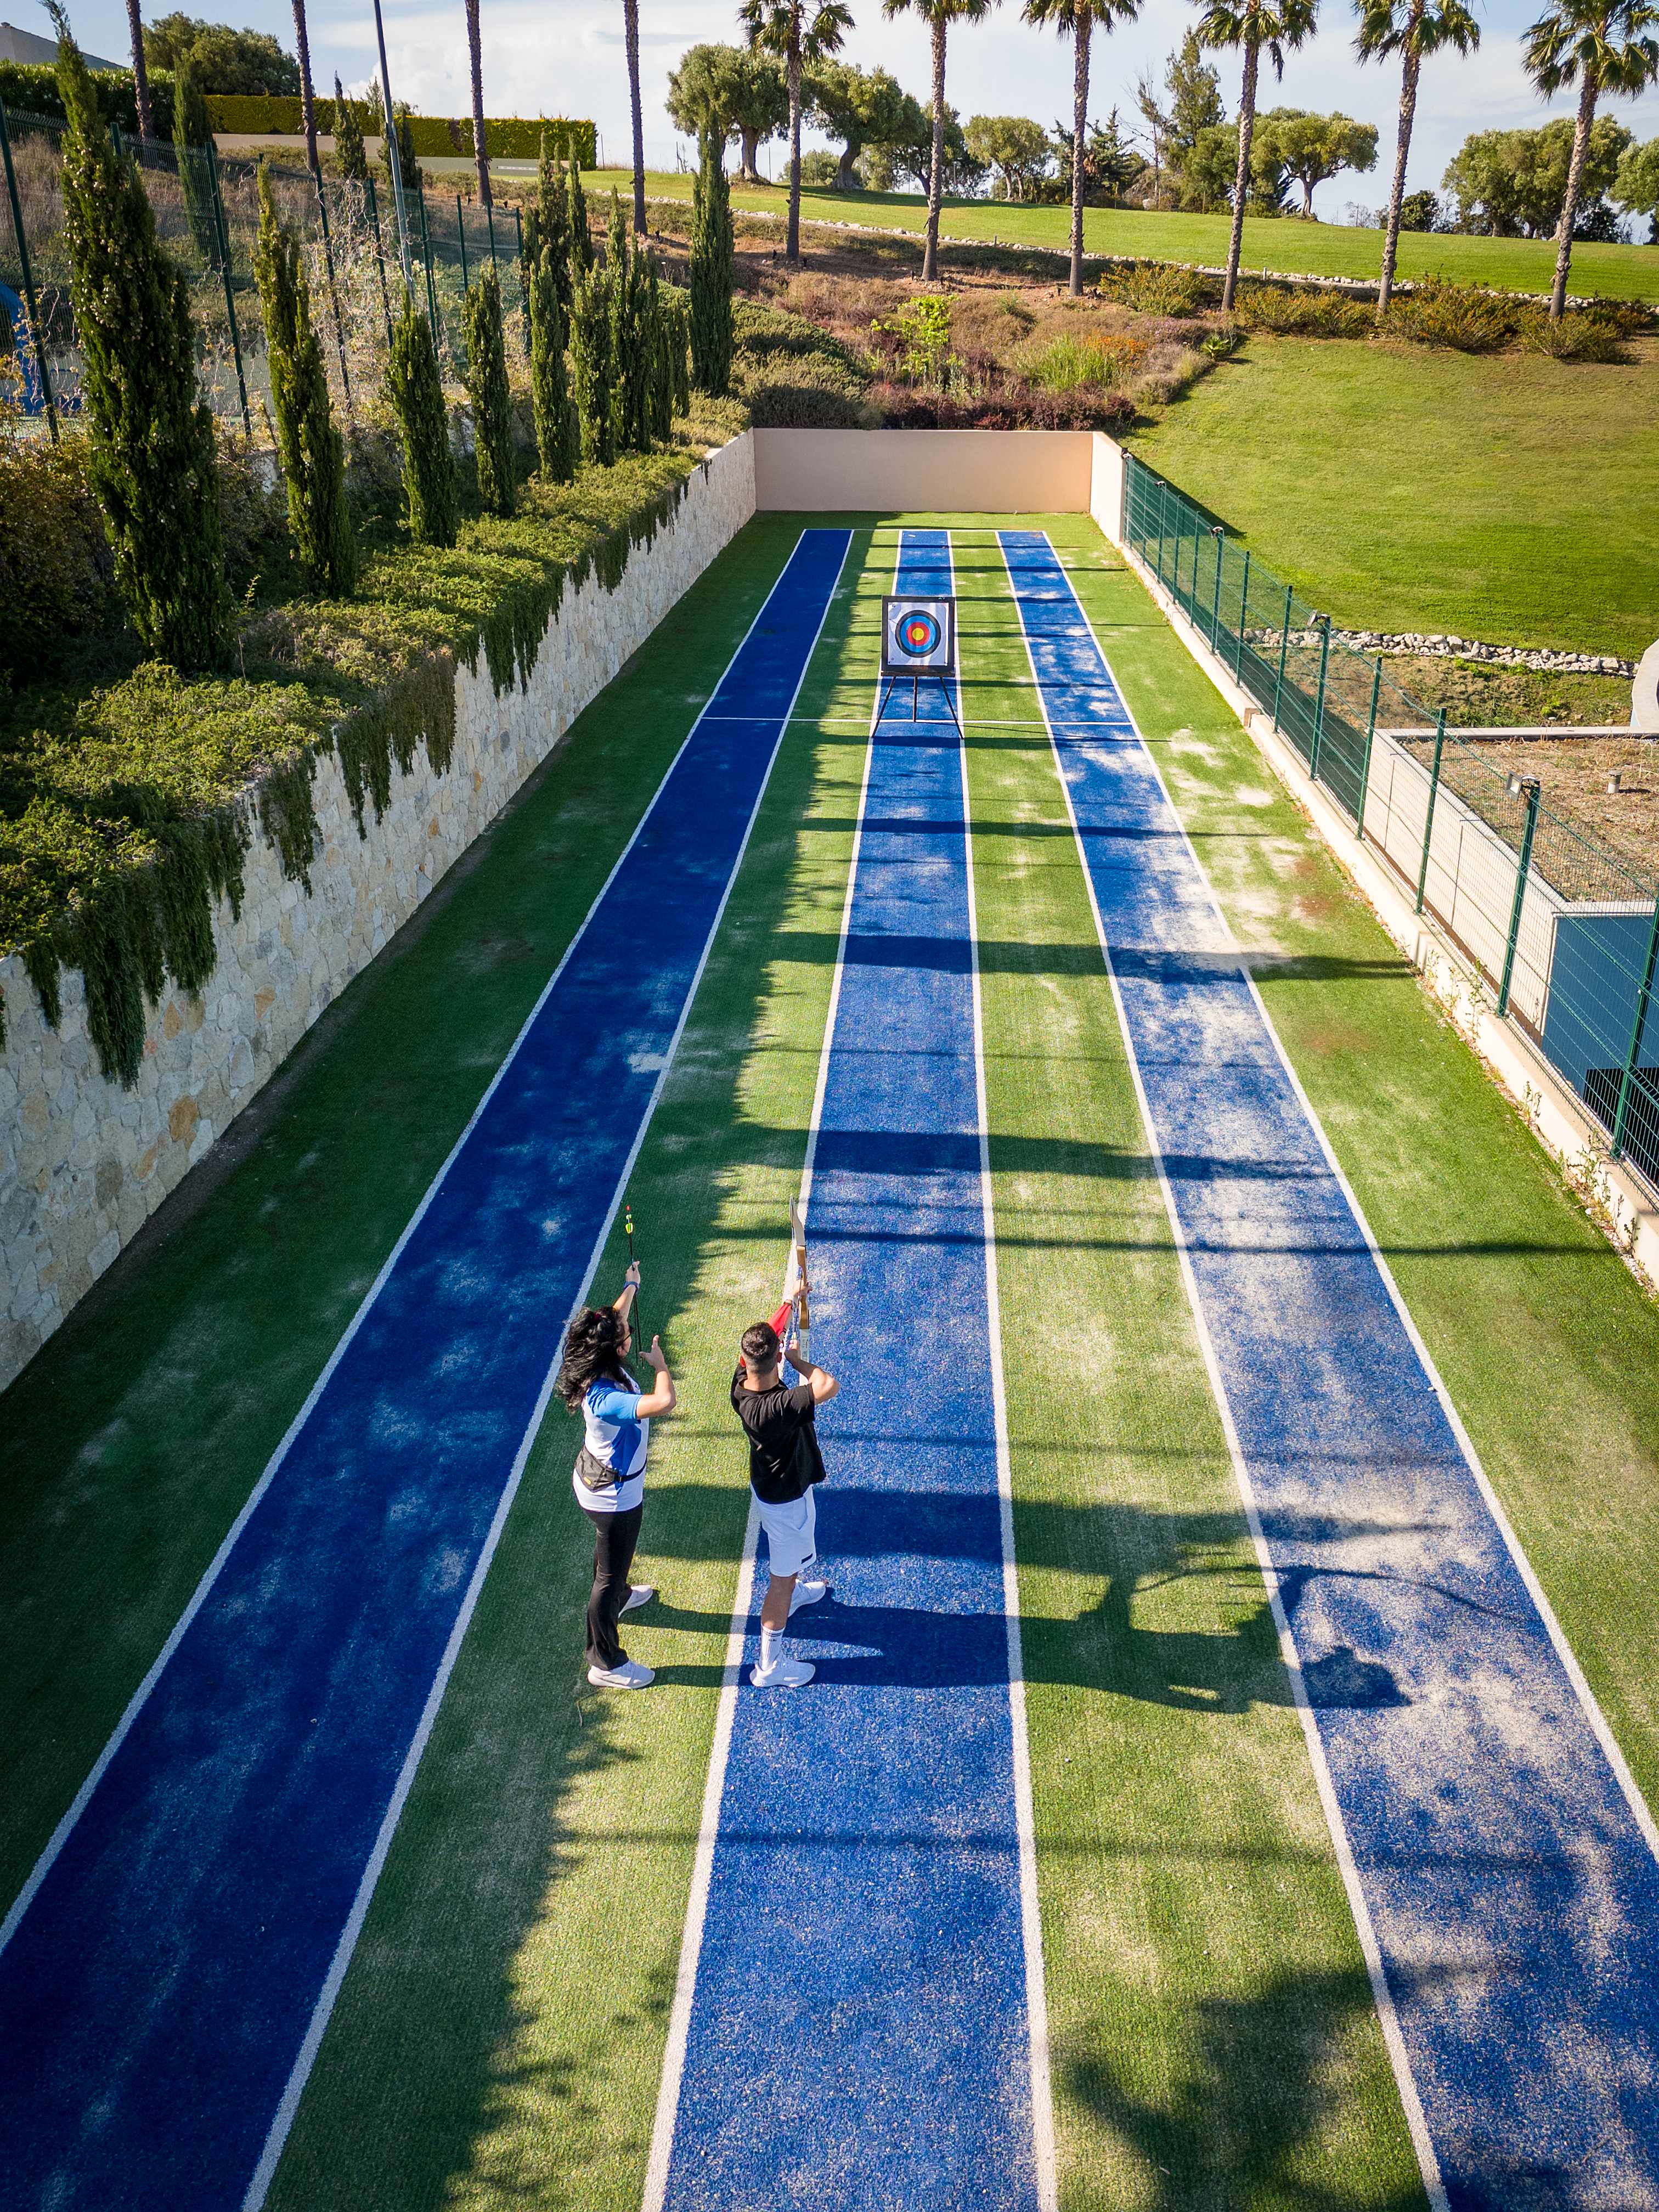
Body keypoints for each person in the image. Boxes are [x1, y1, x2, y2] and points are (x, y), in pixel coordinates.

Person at [556, 1261, 676, 1689]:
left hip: (598, 1480)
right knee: (606, 1579)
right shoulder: (606, 1398)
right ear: (616, 1350)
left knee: (612, 1562)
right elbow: (664, 1402)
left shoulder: (600, 1352)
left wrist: (631, 1284)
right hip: (614, 1498)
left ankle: (621, 1596)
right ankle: (604, 1662)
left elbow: (613, 1317)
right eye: (625, 1335)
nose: (628, 1332)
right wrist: (662, 1365)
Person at [730, 1317, 838, 1689]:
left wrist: (789, 1302)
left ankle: (793, 1594)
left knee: (789, 1570)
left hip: (777, 1490)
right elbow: (827, 1385)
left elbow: (761, 1339)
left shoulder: (741, 1389)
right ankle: (769, 1666)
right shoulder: (779, 1406)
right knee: (780, 1580)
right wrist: (796, 1361)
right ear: (776, 1357)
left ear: (743, 1361)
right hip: (786, 1501)